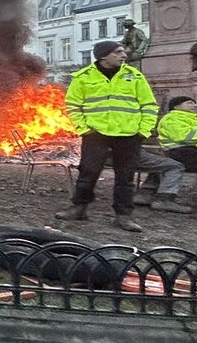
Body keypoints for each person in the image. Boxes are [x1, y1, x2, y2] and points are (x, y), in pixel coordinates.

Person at [55, 41, 158, 232]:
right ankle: (79, 208)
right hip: (96, 134)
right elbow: (73, 106)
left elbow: (149, 105)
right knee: (88, 173)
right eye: (117, 52)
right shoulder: (83, 77)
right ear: (103, 56)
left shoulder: (134, 76)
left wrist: (143, 131)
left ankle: (124, 216)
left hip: (129, 135)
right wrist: (84, 129)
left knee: (125, 177)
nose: (124, 55)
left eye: (123, 51)